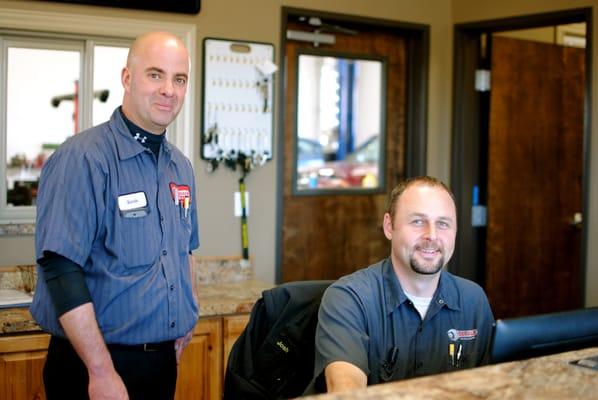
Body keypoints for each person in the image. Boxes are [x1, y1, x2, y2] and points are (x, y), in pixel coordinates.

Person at [30, 31, 199, 400]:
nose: (168, 89)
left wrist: (188, 315)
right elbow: (60, 269)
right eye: (155, 74)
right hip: (93, 368)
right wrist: (101, 371)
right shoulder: (83, 159)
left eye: (179, 79)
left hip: (159, 365)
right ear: (127, 78)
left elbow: (184, 250)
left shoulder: (180, 168)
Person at [312, 176, 494, 393]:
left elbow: (491, 386)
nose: (432, 236)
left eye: (443, 224)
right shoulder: (348, 299)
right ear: (389, 226)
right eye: (418, 221)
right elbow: (346, 392)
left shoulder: (474, 300)